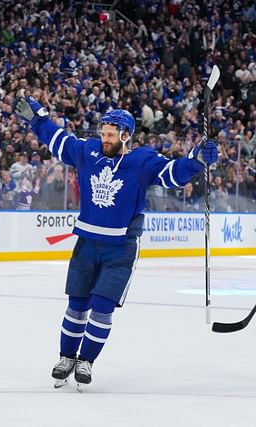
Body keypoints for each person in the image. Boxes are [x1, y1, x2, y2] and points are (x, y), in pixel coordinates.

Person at [14, 96, 218, 390]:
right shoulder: (88, 151)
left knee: (102, 306)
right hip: (86, 242)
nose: (105, 138)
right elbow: (59, 141)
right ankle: (66, 357)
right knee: (77, 304)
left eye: (111, 134)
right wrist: (38, 120)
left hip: (121, 247)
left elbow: (173, 174)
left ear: (126, 135)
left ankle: (86, 361)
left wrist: (195, 161)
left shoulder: (142, 160)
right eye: (103, 133)